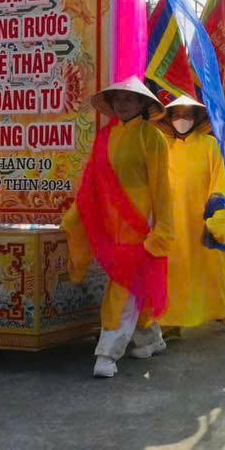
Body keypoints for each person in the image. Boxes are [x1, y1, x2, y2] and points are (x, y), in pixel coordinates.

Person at [61, 77, 173, 379]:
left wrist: (162, 229)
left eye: (129, 99)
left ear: (143, 104)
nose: (122, 104)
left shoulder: (152, 137)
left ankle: (107, 353)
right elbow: (91, 183)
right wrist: (76, 215)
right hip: (110, 225)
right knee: (134, 284)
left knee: (120, 288)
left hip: (141, 223)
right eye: (118, 99)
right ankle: (150, 339)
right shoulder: (104, 136)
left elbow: (162, 188)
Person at [158, 94, 225, 334]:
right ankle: (171, 321)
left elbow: (223, 180)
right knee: (175, 270)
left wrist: (216, 212)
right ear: (169, 119)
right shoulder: (162, 146)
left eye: (187, 115)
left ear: (197, 118)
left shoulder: (210, 145)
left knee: (216, 268)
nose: (182, 120)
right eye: (177, 115)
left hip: (205, 217)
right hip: (174, 220)